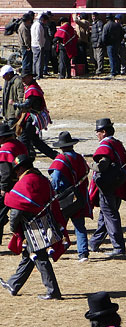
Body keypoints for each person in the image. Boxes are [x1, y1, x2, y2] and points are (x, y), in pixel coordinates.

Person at [0, 154, 65, 300]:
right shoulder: (42, 179)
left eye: (17, 170)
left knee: (40, 258)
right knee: (28, 256)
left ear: (22, 168)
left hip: (33, 227)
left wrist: (13, 228)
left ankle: (53, 291)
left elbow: (16, 210)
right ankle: (13, 284)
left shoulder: (24, 183)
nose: (16, 174)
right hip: (46, 222)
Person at [88, 117, 126, 257]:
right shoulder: (117, 143)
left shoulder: (105, 145)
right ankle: (94, 243)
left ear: (104, 132)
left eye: (98, 131)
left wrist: (88, 165)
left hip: (108, 187)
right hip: (118, 184)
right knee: (105, 216)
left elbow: (101, 166)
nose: (97, 134)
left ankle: (118, 248)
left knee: (110, 216)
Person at [48, 131, 91, 262]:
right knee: (79, 226)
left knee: (58, 225)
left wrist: (54, 192)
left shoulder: (60, 160)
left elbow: (55, 178)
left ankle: (54, 249)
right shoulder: (79, 158)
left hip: (64, 198)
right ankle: (83, 253)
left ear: (61, 146)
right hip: (78, 197)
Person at [13, 72, 55, 160]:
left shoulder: (33, 89)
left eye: (24, 78)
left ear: (30, 77)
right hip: (30, 117)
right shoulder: (31, 87)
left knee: (24, 139)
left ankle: (25, 159)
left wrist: (15, 104)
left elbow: (27, 105)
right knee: (36, 141)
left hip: (31, 118)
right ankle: (55, 155)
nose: (23, 80)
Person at [0, 123, 29, 244]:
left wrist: (3, 188)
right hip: (22, 183)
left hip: (10, 186)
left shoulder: (5, 149)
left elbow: (5, 172)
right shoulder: (20, 145)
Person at [30, 13, 46, 79]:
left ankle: (34, 73)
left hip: (33, 44)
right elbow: (38, 36)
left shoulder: (33, 25)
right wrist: (40, 45)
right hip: (38, 45)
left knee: (35, 60)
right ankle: (39, 74)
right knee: (39, 61)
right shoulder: (38, 25)